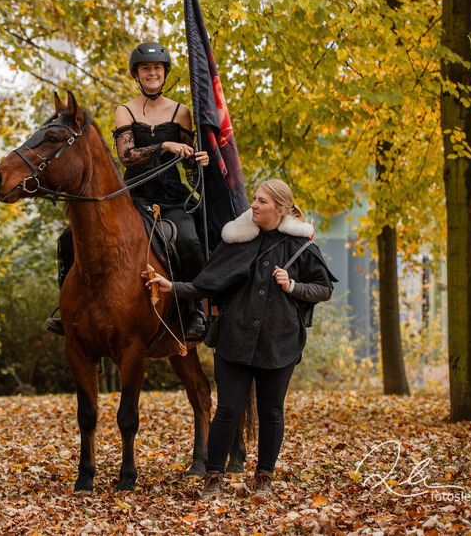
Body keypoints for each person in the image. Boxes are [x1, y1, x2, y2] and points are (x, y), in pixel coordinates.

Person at [143, 179, 336, 499]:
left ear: (282, 209)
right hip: (234, 339)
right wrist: (170, 286)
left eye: (262, 201)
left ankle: (264, 479)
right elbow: (207, 285)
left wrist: (293, 287)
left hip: (280, 342)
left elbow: (324, 289)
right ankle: (214, 478)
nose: (254, 205)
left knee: (272, 411)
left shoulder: (301, 246)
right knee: (228, 410)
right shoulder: (237, 241)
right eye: (255, 199)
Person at [46, 41, 210, 340]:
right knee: (69, 237)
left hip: (172, 196)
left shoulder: (182, 112)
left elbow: (189, 168)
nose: (151, 73)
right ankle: (67, 310)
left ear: (165, 72)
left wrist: (198, 160)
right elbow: (127, 156)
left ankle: (197, 311)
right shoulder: (125, 111)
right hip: (133, 195)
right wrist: (163, 145)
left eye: (157, 68)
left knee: (189, 240)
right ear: (137, 74)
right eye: (145, 68)